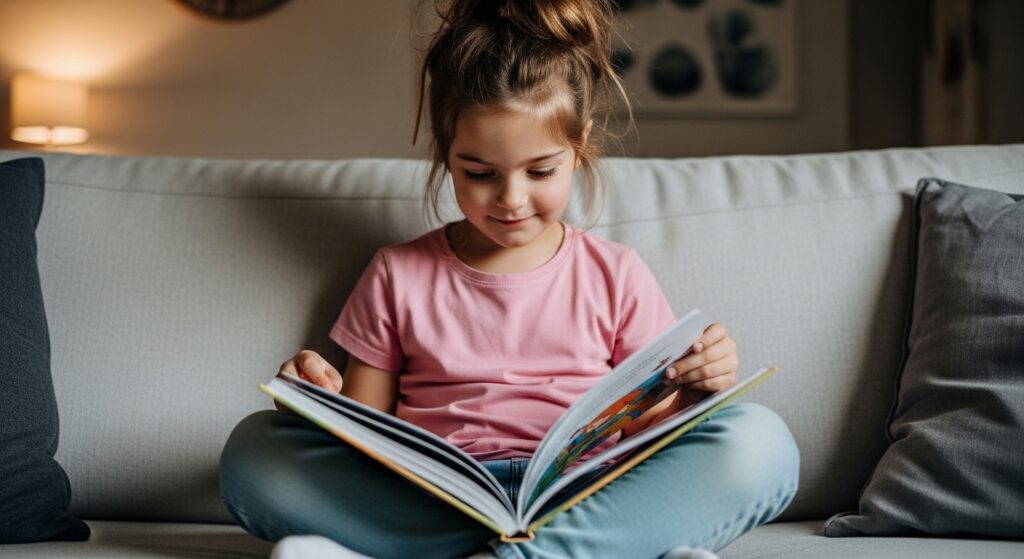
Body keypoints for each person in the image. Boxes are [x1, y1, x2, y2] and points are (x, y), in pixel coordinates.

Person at [219, 1, 800, 558]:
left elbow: (647, 435)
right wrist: (316, 405)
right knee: (255, 450)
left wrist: (699, 392)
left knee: (759, 440)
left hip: (583, 498)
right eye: (479, 173)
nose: (511, 200)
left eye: (540, 170)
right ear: (447, 154)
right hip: (435, 501)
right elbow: (368, 439)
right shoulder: (396, 274)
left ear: (580, 145)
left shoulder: (615, 273)